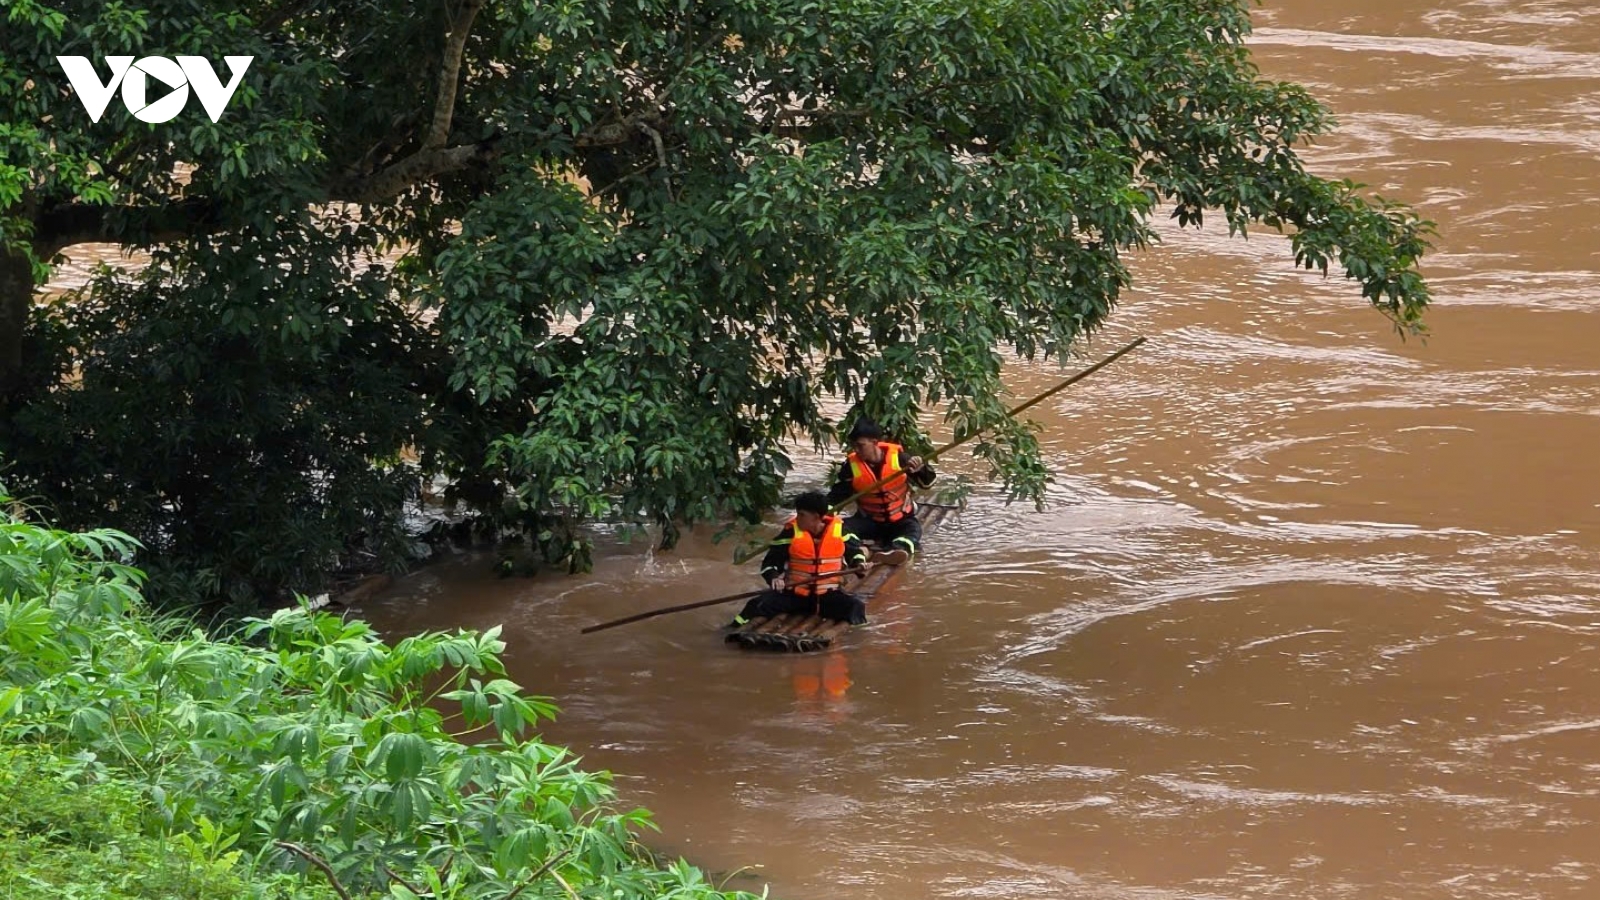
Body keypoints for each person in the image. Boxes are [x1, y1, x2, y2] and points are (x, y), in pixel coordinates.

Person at [730, 491, 870, 627]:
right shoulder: (790, 532)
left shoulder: (840, 530)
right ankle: (730, 632)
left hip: (827, 596)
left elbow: (855, 552)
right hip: (795, 595)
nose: (797, 518)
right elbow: (770, 563)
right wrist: (774, 578)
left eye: (802, 515)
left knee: (856, 607)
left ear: (816, 517)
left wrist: (859, 564)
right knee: (755, 605)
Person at [826, 417, 936, 566]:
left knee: (913, 531)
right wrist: (823, 513)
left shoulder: (901, 458)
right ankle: (861, 552)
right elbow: (837, 496)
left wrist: (920, 469)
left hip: (900, 520)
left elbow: (927, 484)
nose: (856, 450)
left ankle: (894, 550)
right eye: (854, 446)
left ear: (875, 442)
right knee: (838, 528)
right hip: (870, 522)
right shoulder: (850, 467)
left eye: (860, 445)